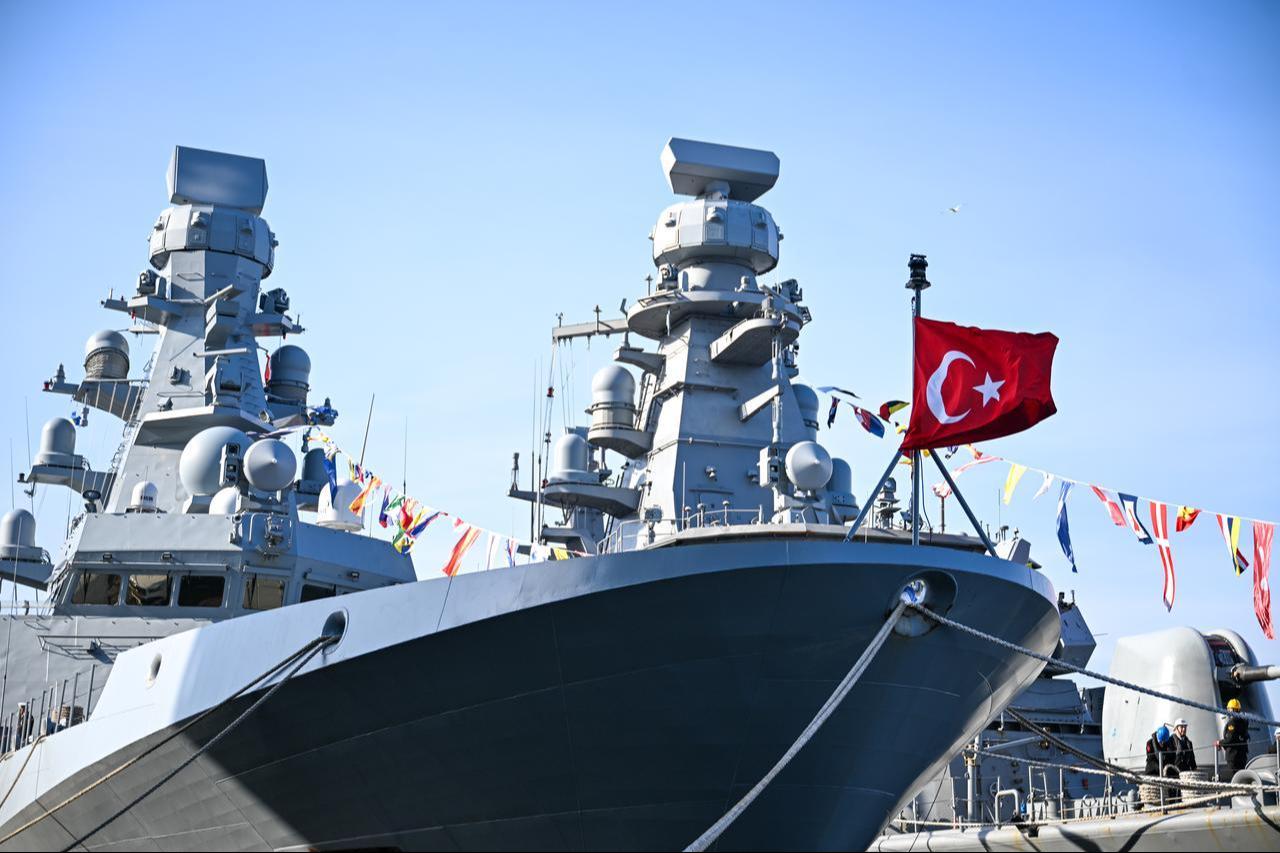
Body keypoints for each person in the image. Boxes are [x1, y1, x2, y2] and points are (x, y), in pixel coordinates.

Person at [1222, 698, 1250, 774]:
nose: (1227, 711)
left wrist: (1220, 743)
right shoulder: (1243, 721)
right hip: (1242, 755)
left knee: (1235, 776)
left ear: (1232, 710)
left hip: (1233, 756)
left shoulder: (1233, 722)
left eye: (1229, 709)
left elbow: (1230, 739)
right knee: (1241, 776)